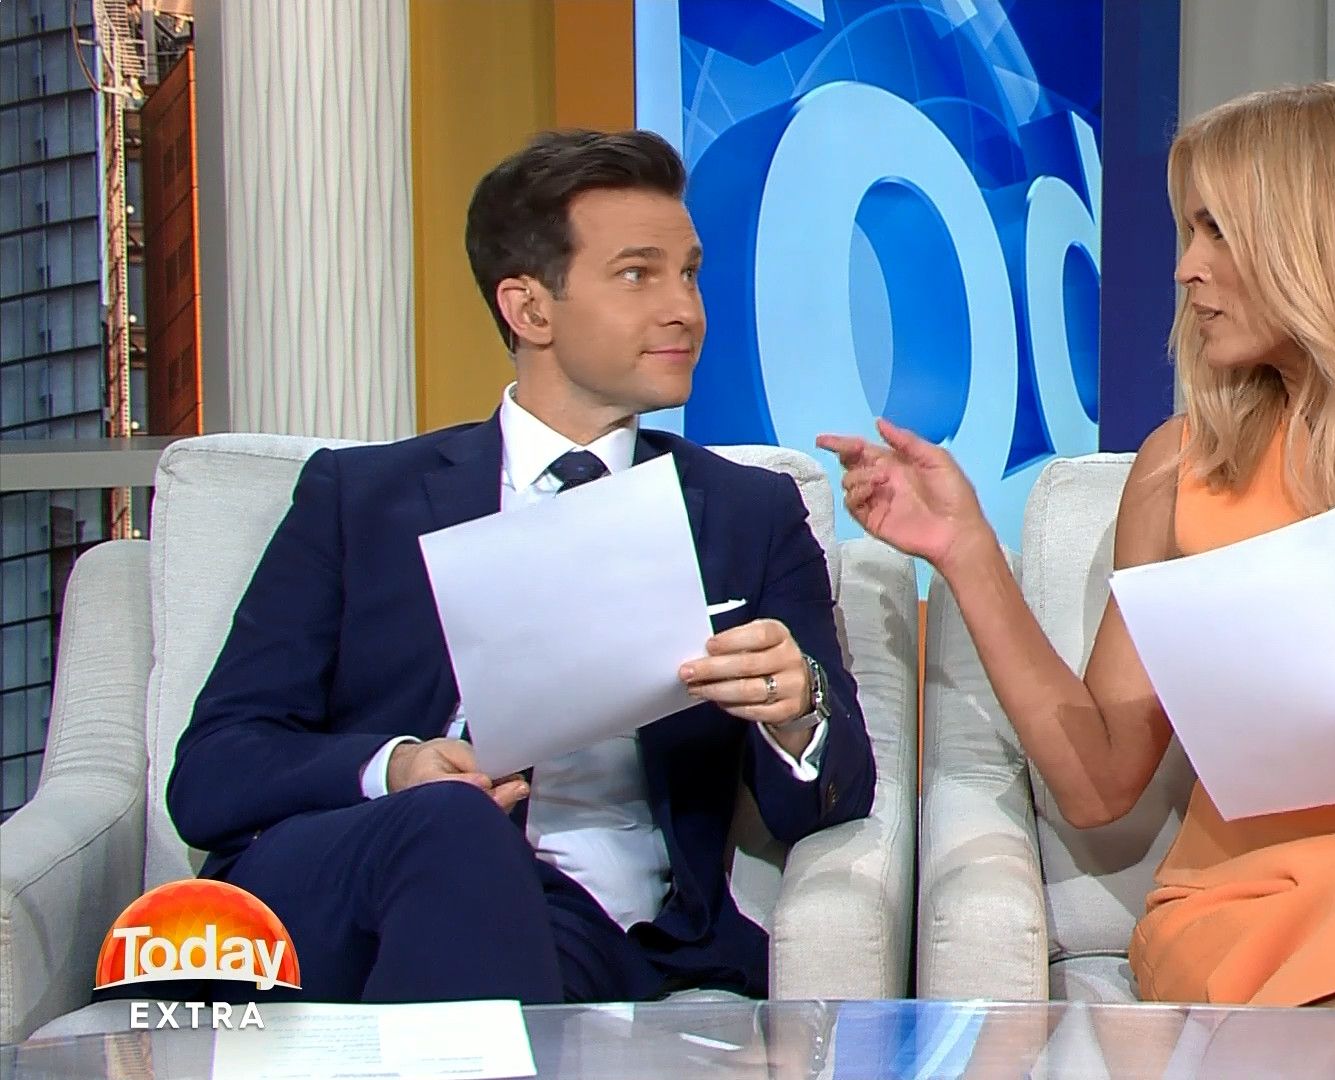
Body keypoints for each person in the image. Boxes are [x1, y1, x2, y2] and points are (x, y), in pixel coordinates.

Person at [821, 83, 1335, 1020]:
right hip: (1255, 905)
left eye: (1217, 231)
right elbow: (1099, 783)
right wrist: (968, 549)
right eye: (1188, 232)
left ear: (1327, 238)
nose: (1186, 269)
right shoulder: (1180, 467)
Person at [166, 129, 874, 1004]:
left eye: (689, 275)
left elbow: (833, 801)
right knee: (450, 824)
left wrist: (798, 709)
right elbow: (213, 774)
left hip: (606, 934)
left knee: (509, 913)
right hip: (364, 882)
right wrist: (397, 767)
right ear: (529, 309)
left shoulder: (748, 514)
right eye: (638, 275)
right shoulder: (359, 500)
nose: (685, 310)